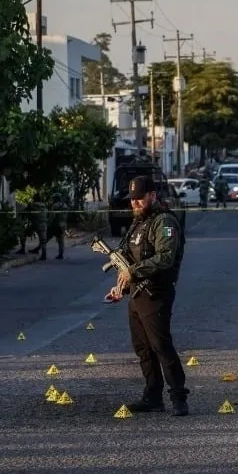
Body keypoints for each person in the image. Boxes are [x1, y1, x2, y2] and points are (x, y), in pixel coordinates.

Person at [105, 175, 189, 416]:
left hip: (156, 293)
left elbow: (165, 258)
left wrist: (133, 272)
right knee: (143, 348)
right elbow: (127, 261)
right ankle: (153, 396)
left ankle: (179, 397)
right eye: (133, 199)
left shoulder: (164, 222)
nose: (136, 203)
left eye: (140, 198)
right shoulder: (137, 223)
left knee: (161, 345)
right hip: (137, 295)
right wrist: (120, 285)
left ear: (153, 195)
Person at [42, 191, 68, 260]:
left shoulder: (55, 205)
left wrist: (49, 224)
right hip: (63, 224)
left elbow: (52, 216)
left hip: (55, 225)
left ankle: (42, 253)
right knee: (61, 240)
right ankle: (61, 254)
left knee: (46, 239)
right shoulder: (65, 205)